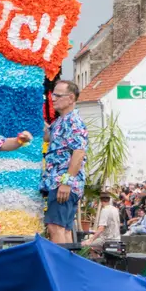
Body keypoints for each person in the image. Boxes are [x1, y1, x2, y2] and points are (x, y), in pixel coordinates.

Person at [41, 78, 87, 245]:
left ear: (71, 98)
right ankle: (67, 266)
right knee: (64, 228)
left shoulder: (73, 122)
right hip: (59, 182)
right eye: (53, 95)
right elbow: (47, 135)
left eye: (58, 96)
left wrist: (67, 182)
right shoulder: (61, 121)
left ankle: (58, 266)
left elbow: (79, 152)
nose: (53, 99)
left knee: (55, 227)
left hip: (63, 183)